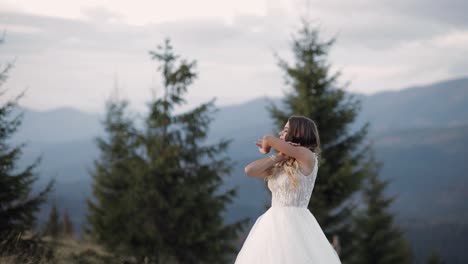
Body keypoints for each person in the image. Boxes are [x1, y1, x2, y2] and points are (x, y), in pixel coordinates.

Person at [234, 115, 342, 264]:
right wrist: (279, 157)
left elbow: (268, 138)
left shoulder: (307, 155)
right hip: (272, 224)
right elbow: (249, 170)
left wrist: (266, 149)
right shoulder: (283, 164)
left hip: (295, 224)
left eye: (285, 130)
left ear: (298, 133)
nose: (280, 133)